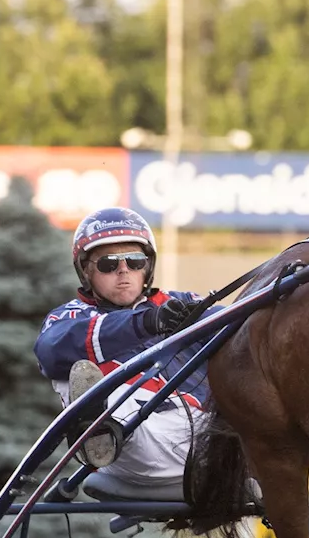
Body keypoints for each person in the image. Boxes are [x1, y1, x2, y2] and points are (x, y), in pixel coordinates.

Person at [34, 207, 218, 496]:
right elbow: (50, 352)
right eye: (108, 264)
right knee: (87, 378)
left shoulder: (180, 304)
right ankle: (98, 430)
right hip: (132, 447)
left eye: (134, 261)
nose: (124, 271)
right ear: (86, 270)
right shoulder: (70, 317)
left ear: (147, 265)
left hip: (210, 442)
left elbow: (247, 326)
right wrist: (146, 323)